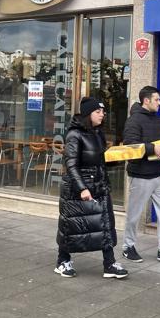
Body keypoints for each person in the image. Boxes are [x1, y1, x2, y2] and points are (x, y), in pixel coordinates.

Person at [55, 96, 129, 279]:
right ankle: (62, 262)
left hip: (99, 186)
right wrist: (82, 188)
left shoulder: (97, 133)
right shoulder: (74, 134)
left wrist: (120, 156)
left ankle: (109, 264)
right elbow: (71, 164)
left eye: (103, 111)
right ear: (88, 114)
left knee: (105, 226)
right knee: (71, 227)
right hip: (78, 190)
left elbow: (101, 161)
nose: (102, 114)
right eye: (98, 111)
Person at [121, 86, 160, 263]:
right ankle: (128, 246)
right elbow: (130, 145)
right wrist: (151, 147)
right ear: (146, 100)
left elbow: (159, 147)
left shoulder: (157, 120)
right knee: (134, 214)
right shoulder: (133, 120)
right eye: (156, 99)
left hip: (158, 175)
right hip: (140, 175)